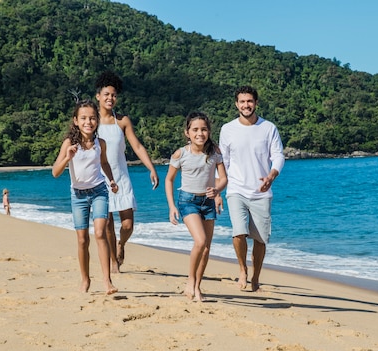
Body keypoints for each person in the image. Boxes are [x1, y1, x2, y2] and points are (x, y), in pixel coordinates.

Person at [218, 86, 285, 292]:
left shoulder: (268, 128)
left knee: (260, 239)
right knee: (239, 233)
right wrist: (218, 191)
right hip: (236, 189)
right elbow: (222, 162)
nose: (246, 105)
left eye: (249, 101)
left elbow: (279, 155)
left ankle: (256, 277)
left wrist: (271, 176)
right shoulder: (227, 129)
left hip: (261, 192)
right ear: (236, 104)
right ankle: (242, 270)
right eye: (242, 101)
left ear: (255, 103)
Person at [52, 99, 120, 295]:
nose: (88, 122)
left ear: (97, 121)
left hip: (99, 191)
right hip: (78, 195)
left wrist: (112, 181)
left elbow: (104, 163)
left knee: (100, 233)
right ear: (75, 121)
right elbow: (55, 172)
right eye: (83, 118)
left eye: (91, 118)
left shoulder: (101, 143)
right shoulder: (69, 143)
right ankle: (85, 279)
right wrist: (67, 157)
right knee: (82, 240)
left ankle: (107, 281)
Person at [95, 71, 160, 273]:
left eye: (113, 95)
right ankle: (114, 262)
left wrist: (151, 168)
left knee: (127, 225)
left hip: (121, 178)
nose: (110, 98)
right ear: (98, 95)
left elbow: (137, 146)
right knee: (107, 225)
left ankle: (121, 244)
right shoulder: (91, 121)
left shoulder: (122, 121)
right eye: (106, 94)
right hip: (100, 179)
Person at [165, 112, 227, 302]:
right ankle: (190, 281)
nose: (200, 133)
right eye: (195, 130)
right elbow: (169, 179)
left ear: (208, 131)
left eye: (204, 129)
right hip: (188, 201)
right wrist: (171, 206)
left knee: (206, 249)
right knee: (200, 241)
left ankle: (197, 286)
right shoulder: (180, 154)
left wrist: (217, 190)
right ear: (187, 133)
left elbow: (224, 178)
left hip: (207, 204)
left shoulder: (214, 152)